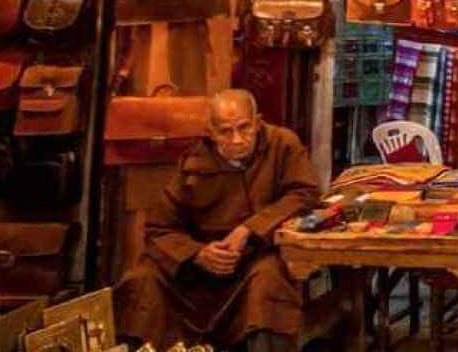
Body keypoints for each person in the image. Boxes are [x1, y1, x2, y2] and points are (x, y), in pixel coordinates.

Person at [115, 89, 320, 351]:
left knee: (268, 283)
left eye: (245, 128)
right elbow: (159, 227)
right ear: (211, 132)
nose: (237, 140)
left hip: (256, 258)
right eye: (225, 131)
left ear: (257, 122)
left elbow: (306, 194)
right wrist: (197, 254)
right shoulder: (194, 159)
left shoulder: (283, 145)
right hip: (200, 269)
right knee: (142, 279)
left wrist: (249, 229)